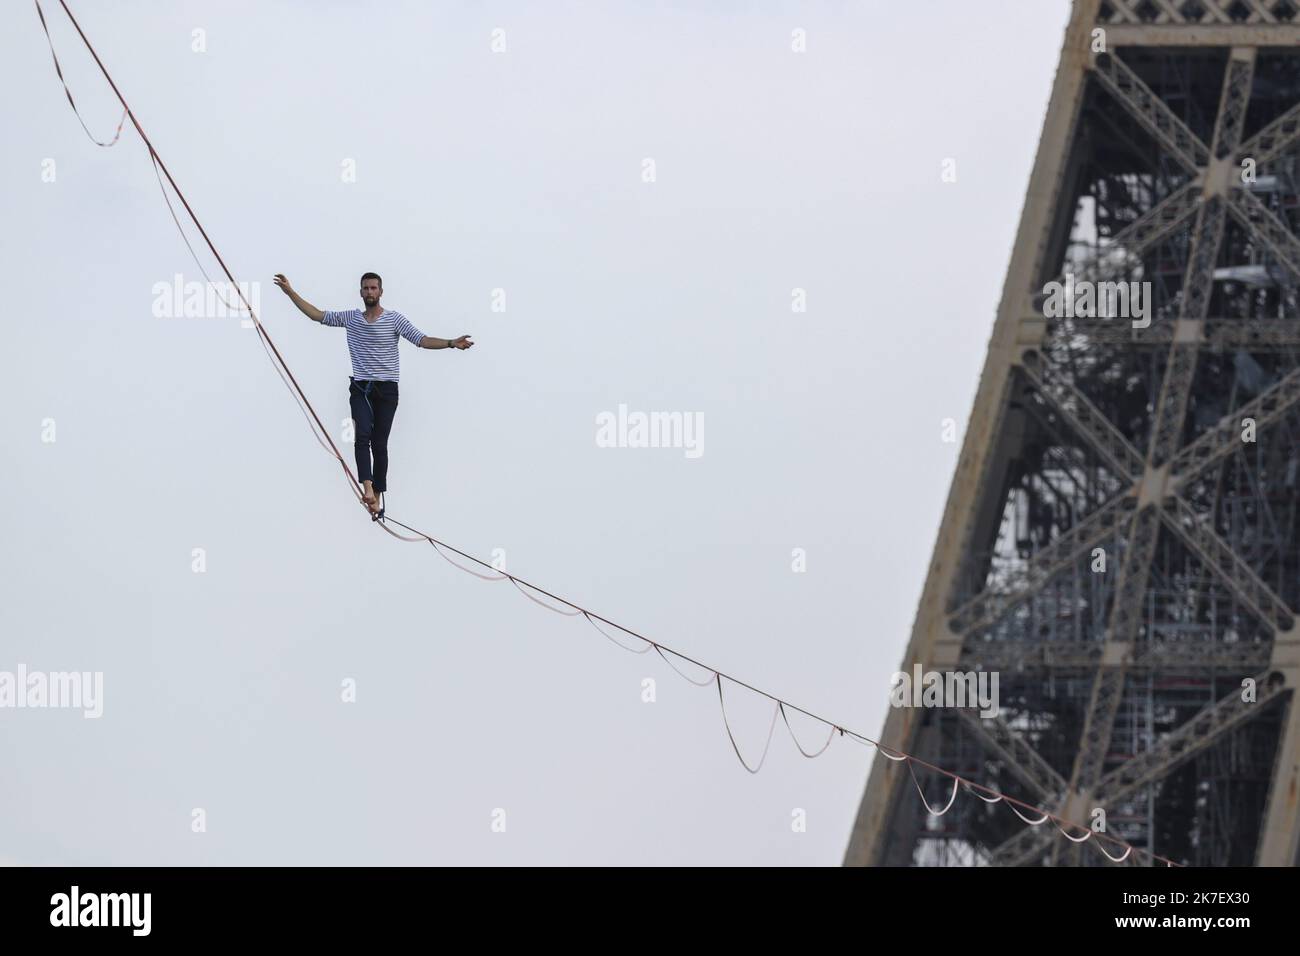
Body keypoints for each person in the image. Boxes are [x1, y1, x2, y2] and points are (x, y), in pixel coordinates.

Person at [273, 271, 473, 516]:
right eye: (366, 288)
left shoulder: (394, 320)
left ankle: (376, 496)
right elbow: (317, 315)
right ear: (360, 292)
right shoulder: (351, 318)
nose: (369, 292)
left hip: (387, 389)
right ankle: (368, 488)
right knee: (362, 437)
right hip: (361, 388)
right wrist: (290, 292)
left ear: (381, 292)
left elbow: (422, 340)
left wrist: (451, 342)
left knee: (380, 444)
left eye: (373, 288)